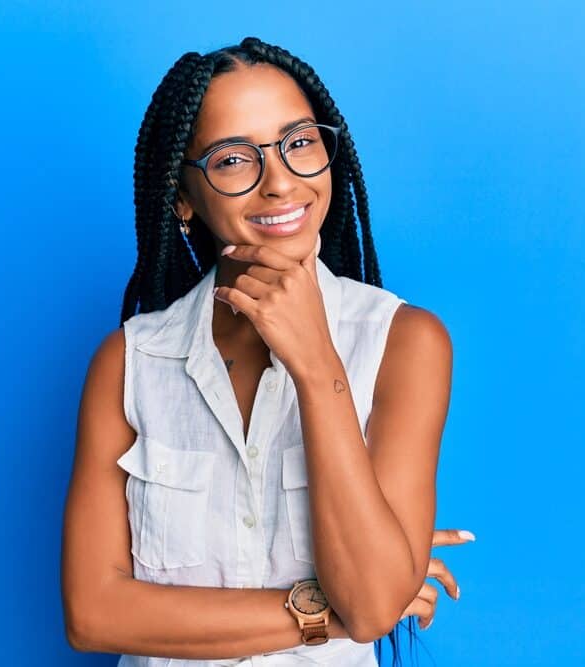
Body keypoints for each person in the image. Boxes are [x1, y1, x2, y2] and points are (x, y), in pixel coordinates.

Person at [61, 37, 476, 666]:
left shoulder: (405, 343)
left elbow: (371, 606)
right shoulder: (128, 364)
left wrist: (317, 365)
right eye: (233, 160)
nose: (280, 183)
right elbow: (93, 615)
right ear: (182, 197)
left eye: (300, 143)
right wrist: (323, 610)